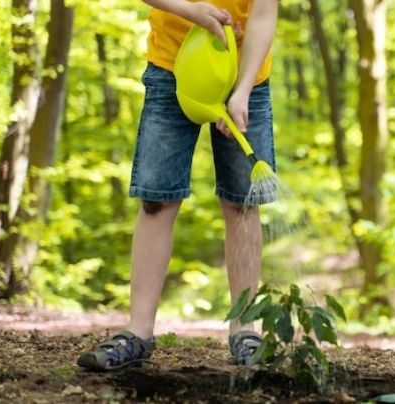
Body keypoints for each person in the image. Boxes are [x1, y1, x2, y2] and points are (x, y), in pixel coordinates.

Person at [77, 0, 280, 370]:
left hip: (245, 73)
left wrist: (242, 90)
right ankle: (137, 332)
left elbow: (265, 13)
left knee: (242, 203)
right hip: (171, 67)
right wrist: (191, 11)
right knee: (156, 199)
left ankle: (245, 330)